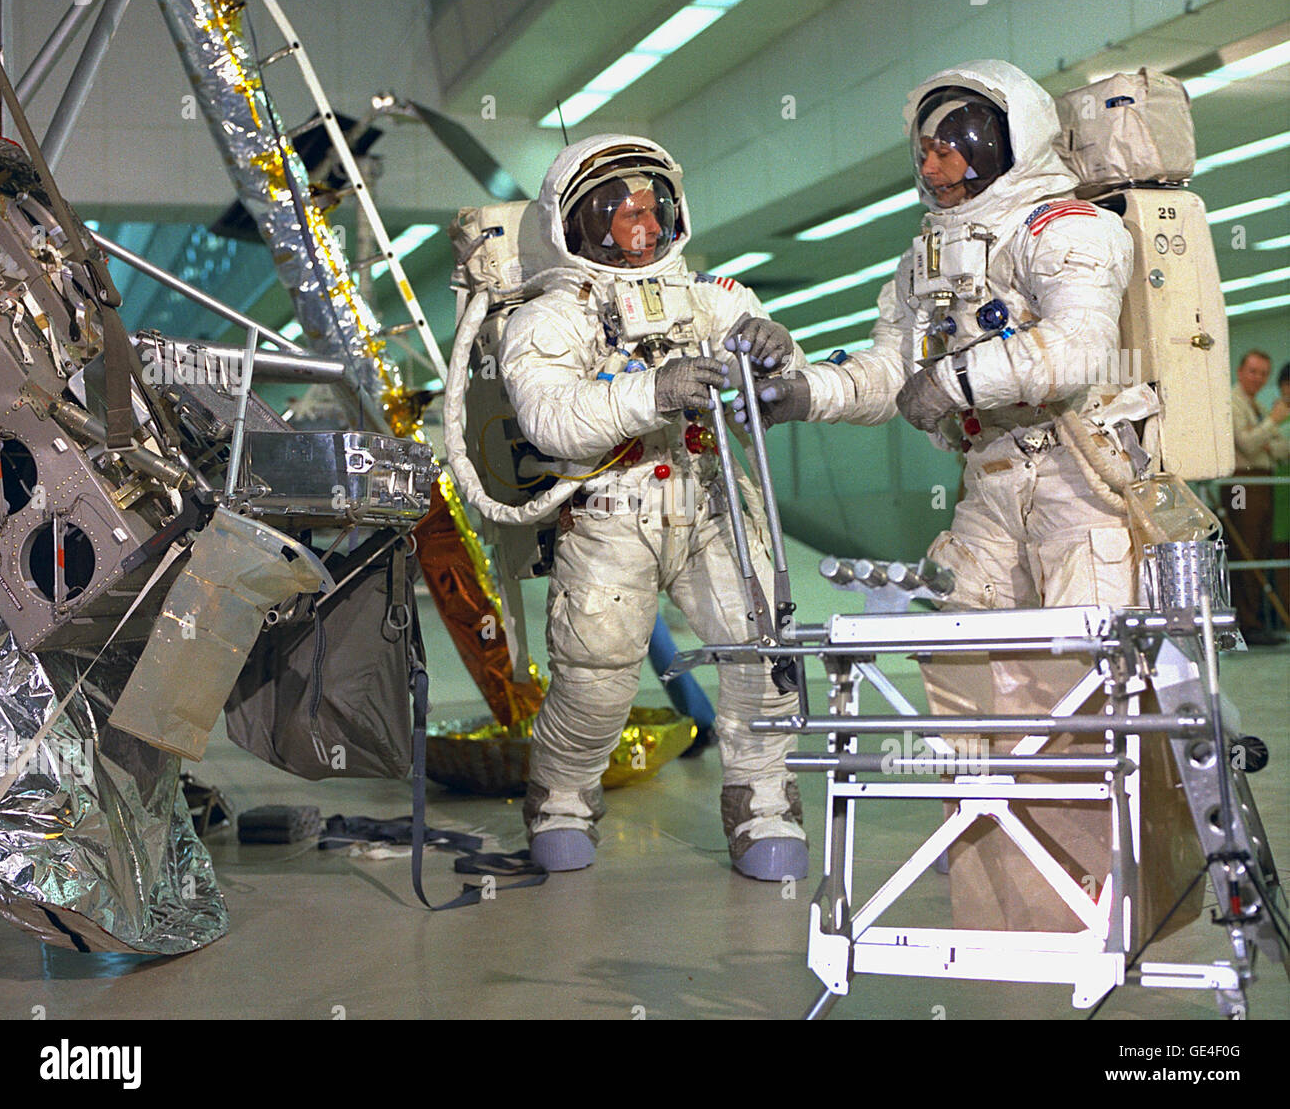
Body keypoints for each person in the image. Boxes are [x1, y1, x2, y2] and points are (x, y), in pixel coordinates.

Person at [736, 60, 1172, 933]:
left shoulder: (1068, 226)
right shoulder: (924, 257)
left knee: (1089, 680)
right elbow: (891, 370)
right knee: (963, 663)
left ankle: (1114, 883)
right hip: (992, 481)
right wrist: (805, 392)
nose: (935, 168)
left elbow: (1078, 347)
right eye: (926, 150)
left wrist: (959, 379)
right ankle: (1006, 872)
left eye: (955, 147)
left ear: (1012, 140)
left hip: (1079, 480)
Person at [498, 134, 808, 879]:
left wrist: (776, 350)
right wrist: (654, 391)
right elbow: (549, 417)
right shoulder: (549, 317)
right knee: (597, 675)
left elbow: (774, 376)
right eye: (616, 213)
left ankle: (763, 801)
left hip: (711, 499)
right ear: (578, 226)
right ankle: (564, 797)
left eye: (649, 210)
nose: (638, 229)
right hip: (609, 509)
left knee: (761, 651)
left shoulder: (715, 298)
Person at [1223, 349, 1290, 643]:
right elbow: (1249, 445)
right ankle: (1246, 625)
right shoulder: (1232, 402)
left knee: (1260, 548)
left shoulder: (1258, 407)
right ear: (1240, 372)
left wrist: (1261, 432)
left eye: (1263, 373)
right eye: (1253, 371)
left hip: (1262, 481)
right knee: (1244, 547)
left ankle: (1256, 622)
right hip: (1240, 484)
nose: (1258, 378)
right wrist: (1271, 425)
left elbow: (1281, 450)